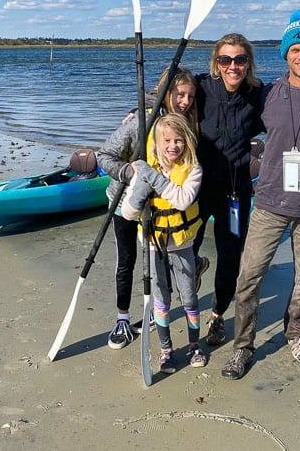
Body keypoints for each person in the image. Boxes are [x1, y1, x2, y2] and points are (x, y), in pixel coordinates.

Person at [221, 10, 300, 380]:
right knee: (249, 278)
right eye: (295, 49)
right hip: (270, 204)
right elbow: (232, 122)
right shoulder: (267, 95)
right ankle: (242, 347)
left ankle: (296, 333)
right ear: (285, 54)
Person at [96, 68, 199, 350]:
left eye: (190, 96)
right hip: (124, 201)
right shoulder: (140, 120)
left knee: (157, 266)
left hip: (158, 209)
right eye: (179, 94)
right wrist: (130, 173)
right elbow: (103, 157)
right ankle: (122, 319)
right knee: (127, 261)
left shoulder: (185, 121)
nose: (185, 101)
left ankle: (156, 311)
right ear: (166, 92)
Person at [193, 33, 265, 346]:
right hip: (197, 189)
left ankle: (218, 316)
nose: (232, 66)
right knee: (183, 249)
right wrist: (136, 112)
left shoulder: (258, 93)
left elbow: (289, 110)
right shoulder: (201, 87)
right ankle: (193, 269)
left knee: (230, 257)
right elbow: (168, 95)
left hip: (235, 194)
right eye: (225, 59)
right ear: (216, 63)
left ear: (248, 62)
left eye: (239, 59)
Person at [120, 113, 206, 372]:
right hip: (153, 246)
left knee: (189, 298)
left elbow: (181, 200)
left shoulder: (193, 170)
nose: (172, 146)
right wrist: (139, 189)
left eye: (178, 140)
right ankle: (166, 350)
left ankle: (194, 345)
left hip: (182, 245)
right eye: (166, 140)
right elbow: (127, 213)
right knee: (162, 301)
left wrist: (153, 179)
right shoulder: (146, 171)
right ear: (157, 144)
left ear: (187, 142)